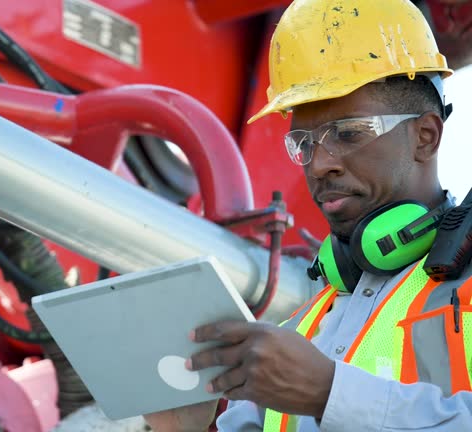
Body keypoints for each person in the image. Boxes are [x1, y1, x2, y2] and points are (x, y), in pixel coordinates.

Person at [144, 0, 472, 431]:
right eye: (304, 142)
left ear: (426, 136)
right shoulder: (301, 328)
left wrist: (326, 393)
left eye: (348, 133)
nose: (318, 165)